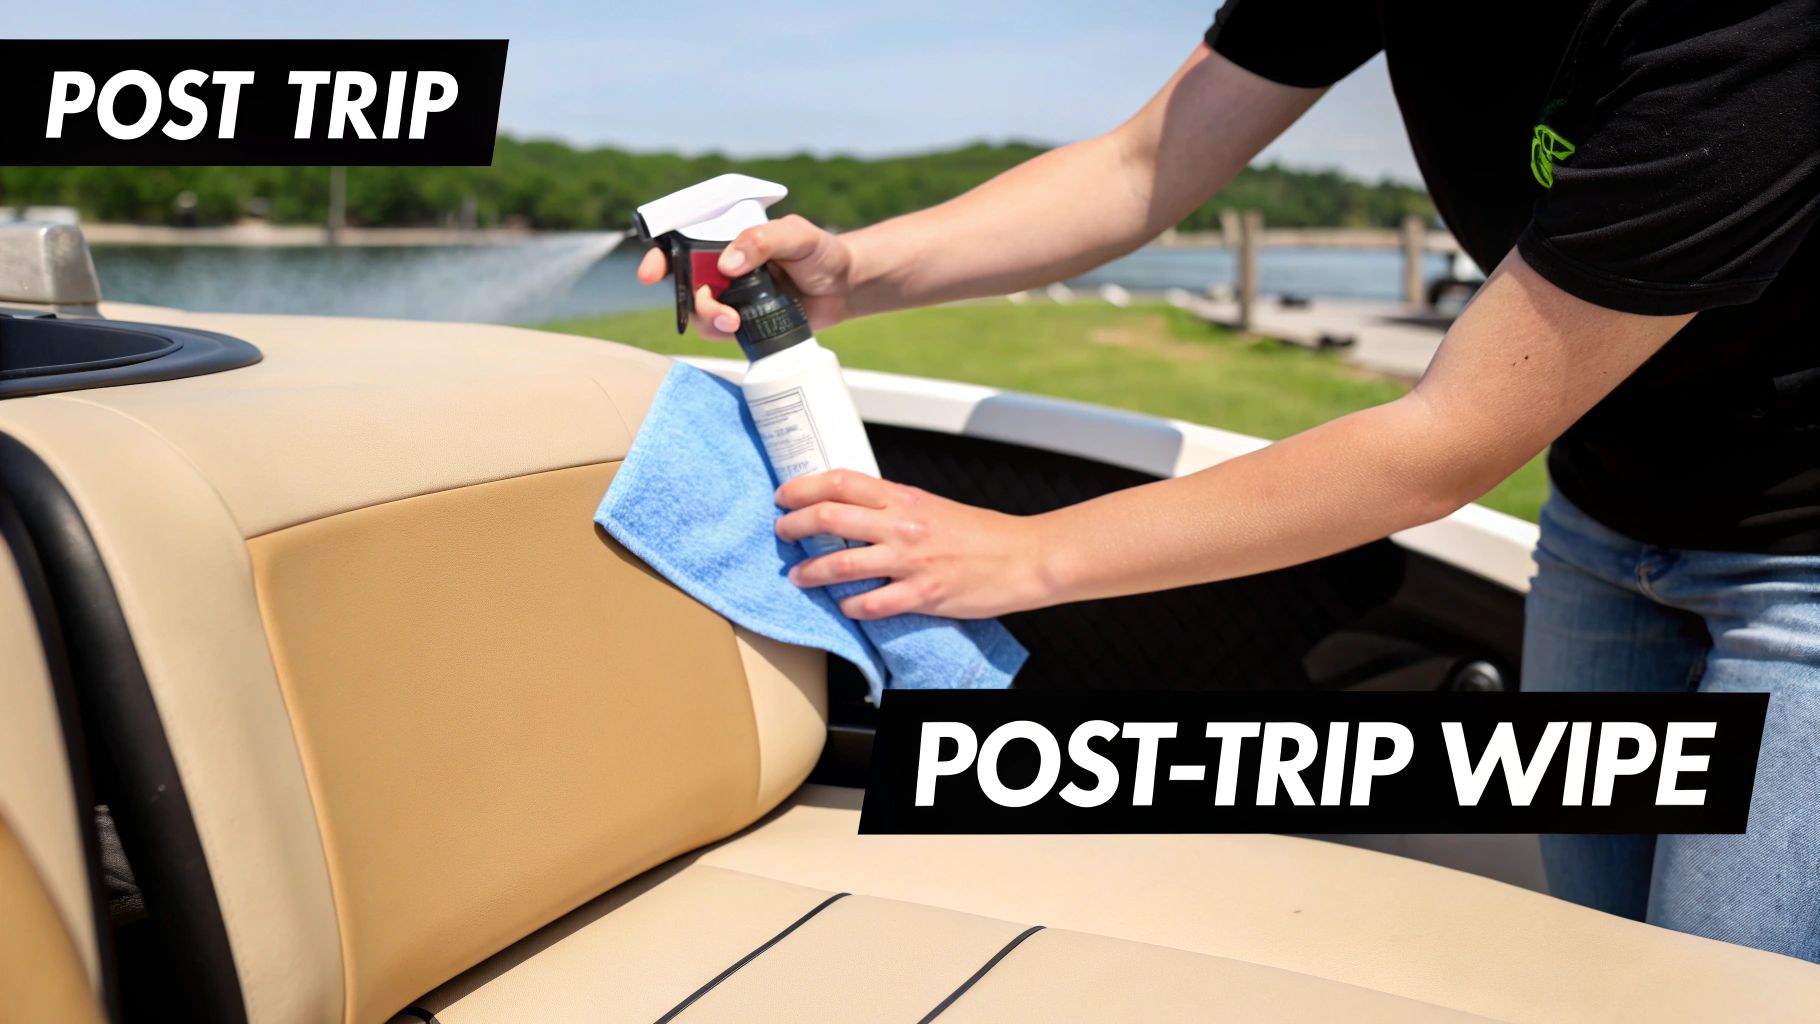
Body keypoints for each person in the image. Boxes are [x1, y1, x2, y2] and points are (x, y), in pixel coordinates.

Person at [638, 1, 1820, 960]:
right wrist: (856, 266)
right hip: (1606, 509)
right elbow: (1138, 162)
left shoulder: (1747, 23)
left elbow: (1445, 440)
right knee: (1602, 968)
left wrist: (1022, 555)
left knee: (1720, 989)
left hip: (1802, 562)